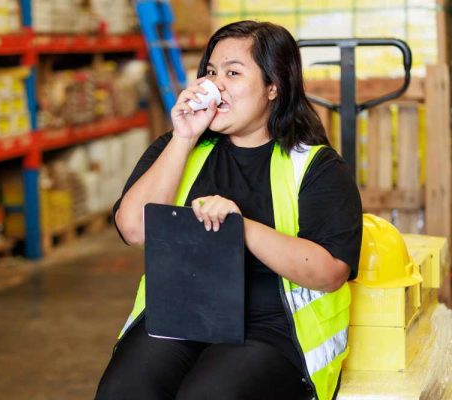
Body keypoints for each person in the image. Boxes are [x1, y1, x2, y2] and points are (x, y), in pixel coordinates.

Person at [95, 20, 362, 400]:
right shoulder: (179, 149)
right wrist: (183, 137)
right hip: (181, 314)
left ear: (274, 87)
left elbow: (329, 273)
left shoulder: (316, 167)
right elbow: (133, 230)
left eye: (233, 73)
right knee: (123, 390)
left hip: (272, 326)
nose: (215, 85)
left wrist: (242, 228)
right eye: (210, 72)